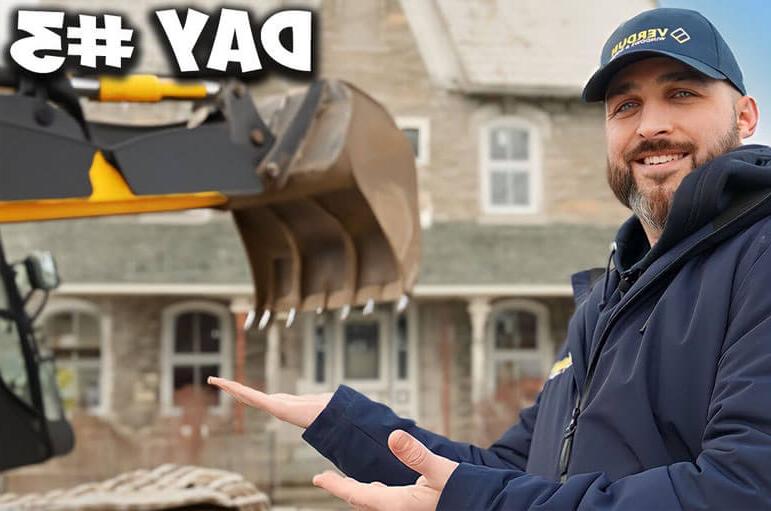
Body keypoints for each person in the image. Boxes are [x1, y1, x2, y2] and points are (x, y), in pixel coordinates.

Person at [209, 7, 771, 510]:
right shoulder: (606, 302)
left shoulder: (759, 256)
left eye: (682, 94)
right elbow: (514, 473)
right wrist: (346, 424)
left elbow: (740, 490)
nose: (650, 125)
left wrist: (474, 502)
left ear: (745, 116)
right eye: (626, 105)